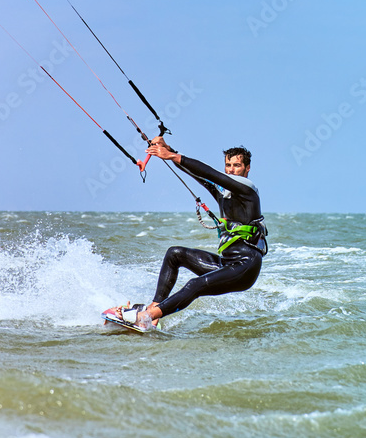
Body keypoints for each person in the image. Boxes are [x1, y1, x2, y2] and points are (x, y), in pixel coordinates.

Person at [111, 140, 267, 329]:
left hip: (246, 265)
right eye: (228, 165)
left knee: (195, 285)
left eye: (237, 165)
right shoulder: (224, 193)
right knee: (174, 254)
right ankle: (154, 310)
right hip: (226, 263)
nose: (232, 170)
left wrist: (174, 157)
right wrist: (170, 151)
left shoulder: (247, 190)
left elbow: (210, 174)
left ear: (247, 168)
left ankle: (145, 316)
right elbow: (200, 175)